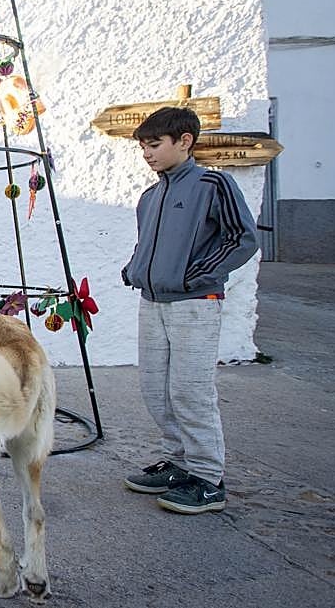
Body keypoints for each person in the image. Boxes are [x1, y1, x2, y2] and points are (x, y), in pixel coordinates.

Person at [121, 106, 257, 514]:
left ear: (185, 141)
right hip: (152, 302)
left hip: (195, 304)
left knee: (190, 390)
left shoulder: (213, 184)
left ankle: (208, 478)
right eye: (143, 147)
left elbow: (241, 238)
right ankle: (178, 464)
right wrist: (134, 268)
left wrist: (195, 275)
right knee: (156, 389)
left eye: (154, 145)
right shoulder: (150, 196)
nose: (147, 154)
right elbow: (146, 244)